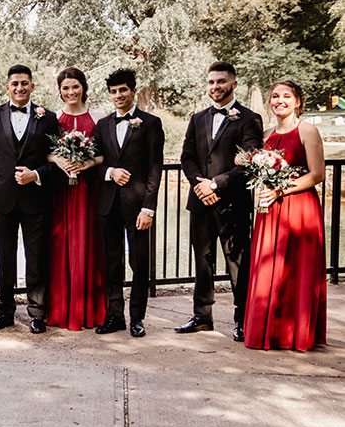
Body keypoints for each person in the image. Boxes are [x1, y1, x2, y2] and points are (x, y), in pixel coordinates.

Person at [177, 61, 263, 340]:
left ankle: (242, 320)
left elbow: (249, 162)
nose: (216, 87)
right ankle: (202, 317)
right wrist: (200, 185)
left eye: (221, 82)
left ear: (233, 84)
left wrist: (216, 183)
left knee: (237, 263)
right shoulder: (198, 117)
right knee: (203, 261)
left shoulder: (249, 119)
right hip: (200, 201)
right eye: (212, 82)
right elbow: (186, 157)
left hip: (233, 203)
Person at [0, 64, 61, 333]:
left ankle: (37, 314)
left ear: (32, 86)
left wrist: (35, 174)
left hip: (36, 199)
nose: (20, 88)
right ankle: (5, 312)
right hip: (2, 200)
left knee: (36, 258)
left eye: (25, 83)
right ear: (7, 86)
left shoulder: (48, 117)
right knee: (5, 258)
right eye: (15, 83)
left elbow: (57, 161)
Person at [244, 81, 327, 351]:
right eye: (275, 96)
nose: (280, 100)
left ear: (298, 101)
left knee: (297, 269)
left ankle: (296, 334)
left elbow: (317, 174)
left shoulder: (308, 131)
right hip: (270, 210)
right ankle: (269, 331)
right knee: (270, 269)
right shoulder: (266, 134)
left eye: (286, 96)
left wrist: (280, 189)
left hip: (300, 210)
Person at [93, 69, 164, 338]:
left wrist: (149, 207)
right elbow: (95, 164)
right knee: (112, 263)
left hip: (138, 207)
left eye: (123, 90)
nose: (118, 95)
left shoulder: (150, 123)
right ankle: (115, 316)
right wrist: (110, 172)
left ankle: (137, 318)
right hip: (108, 204)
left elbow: (155, 169)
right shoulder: (103, 125)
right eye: (113, 91)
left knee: (139, 262)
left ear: (133, 91)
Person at [45, 67, 107, 331]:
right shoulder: (51, 119)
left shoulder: (99, 118)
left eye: (75, 87)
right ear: (60, 91)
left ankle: (89, 311)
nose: (71, 92)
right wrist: (59, 160)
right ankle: (60, 309)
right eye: (66, 88)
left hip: (89, 191)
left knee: (89, 244)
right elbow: (43, 153)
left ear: (83, 87)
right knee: (59, 246)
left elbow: (107, 154)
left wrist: (87, 163)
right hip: (59, 192)